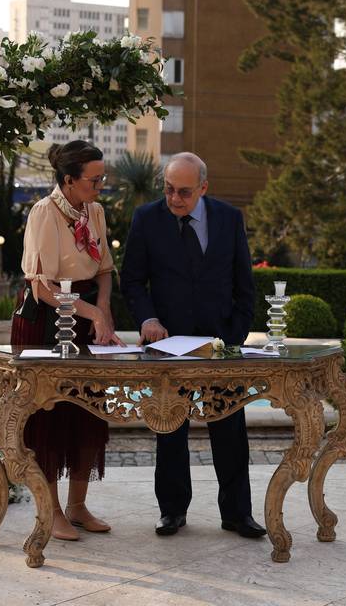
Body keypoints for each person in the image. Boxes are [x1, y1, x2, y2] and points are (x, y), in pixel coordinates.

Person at [120, 151, 265, 538]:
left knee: (230, 431)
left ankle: (237, 514)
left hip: (221, 346)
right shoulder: (146, 219)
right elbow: (132, 281)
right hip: (167, 345)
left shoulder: (229, 219)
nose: (174, 199)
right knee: (170, 429)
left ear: (203, 187)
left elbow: (244, 286)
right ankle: (172, 511)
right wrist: (148, 320)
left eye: (184, 192)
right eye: (168, 189)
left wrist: (233, 336)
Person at [11, 140, 124, 541]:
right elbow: (40, 286)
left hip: (86, 318)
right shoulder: (43, 213)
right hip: (46, 321)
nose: (100, 185)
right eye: (94, 180)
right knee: (52, 419)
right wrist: (92, 313)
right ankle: (52, 511)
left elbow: (105, 270)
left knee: (90, 411)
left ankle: (78, 506)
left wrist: (103, 310)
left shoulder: (95, 211)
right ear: (69, 180)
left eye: (102, 178)